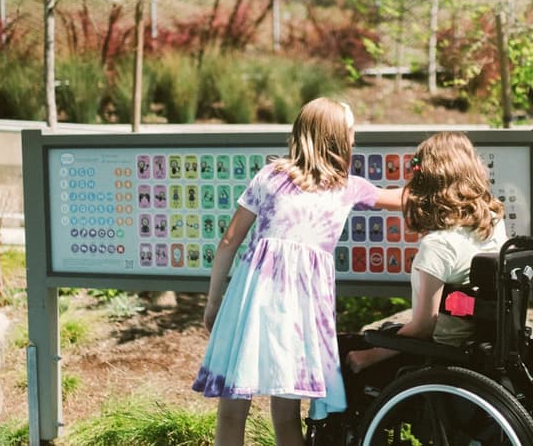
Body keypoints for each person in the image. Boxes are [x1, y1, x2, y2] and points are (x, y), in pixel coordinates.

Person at [192, 97, 403, 446]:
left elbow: (229, 241)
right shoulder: (346, 187)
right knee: (287, 416)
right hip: (298, 315)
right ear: (335, 138)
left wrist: (214, 304)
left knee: (231, 412)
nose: (354, 140)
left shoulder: (271, 175)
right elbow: (402, 199)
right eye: (351, 132)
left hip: (249, 304)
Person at [345, 131, 506, 373]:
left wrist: (367, 357)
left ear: (427, 182)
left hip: (441, 353)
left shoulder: (439, 246)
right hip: (480, 345)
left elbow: (422, 328)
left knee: (345, 347)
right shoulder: (492, 220)